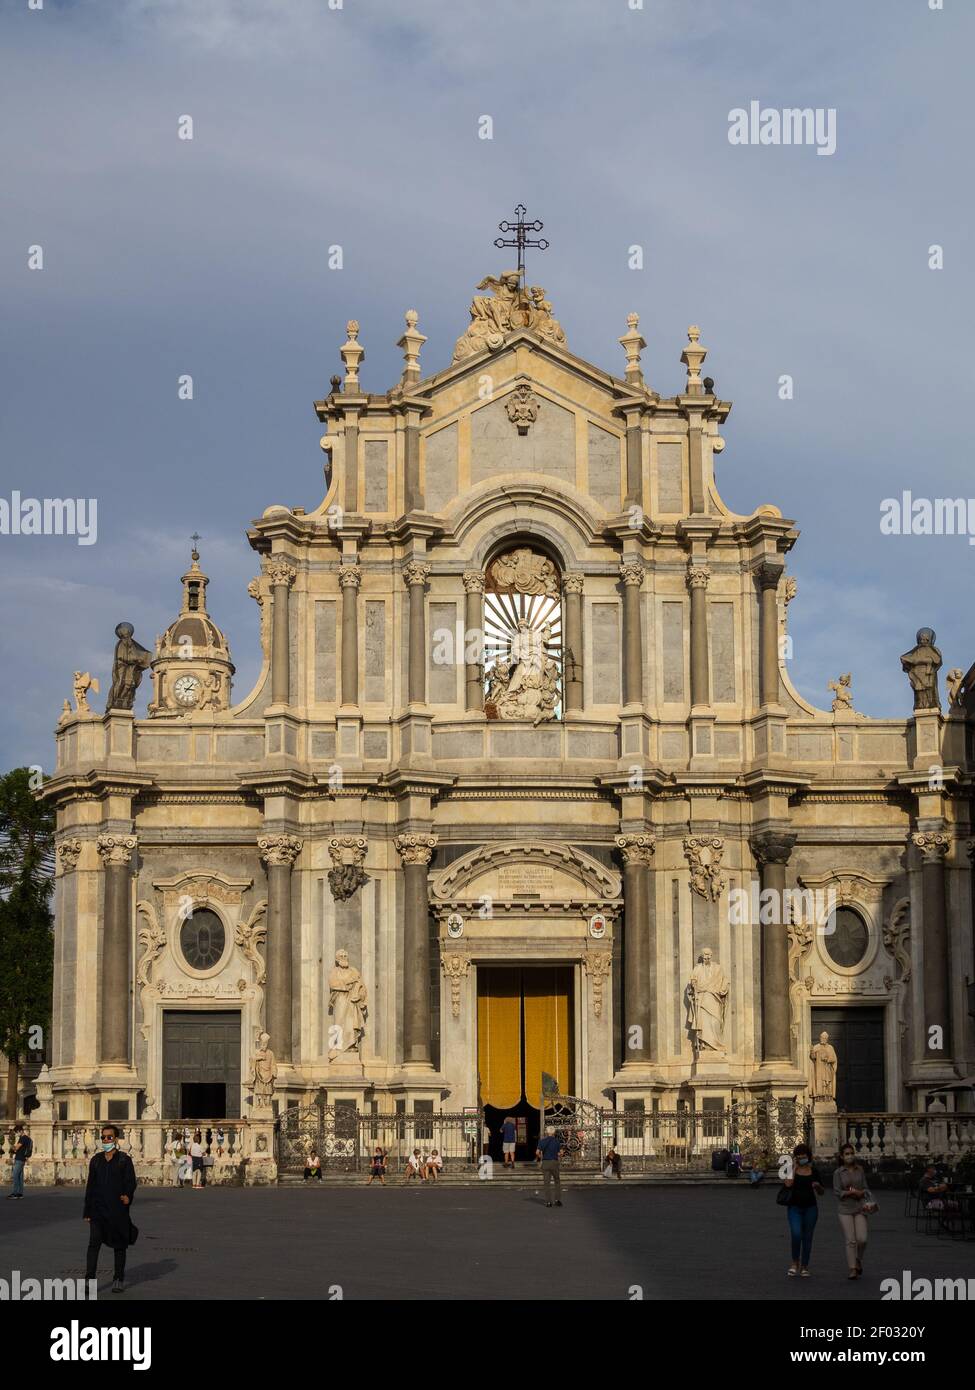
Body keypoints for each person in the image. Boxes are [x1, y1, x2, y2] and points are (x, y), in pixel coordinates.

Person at [84, 1124, 137, 1294]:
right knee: (93, 1244)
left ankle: (118, 1278)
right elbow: (90, 1186)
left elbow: (131, 1182)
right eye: (103, 1137)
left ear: (116, 1139)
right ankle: (89, 1280)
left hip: (117, 1210)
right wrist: (87, 1211)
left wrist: (128, 1195)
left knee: (119, 1245)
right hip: (98, 1210)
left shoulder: (124, 1160)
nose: (106, 1140)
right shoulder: (96, 1160)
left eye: (109, 1137)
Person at [781, 1143, 825, 1278]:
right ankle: (795, 1263)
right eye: (798, 1157)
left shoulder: (814, 1171)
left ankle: (805, 1266)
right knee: (796, 1234)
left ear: (809, 1157)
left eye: (804, 1157)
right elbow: (788, 1184)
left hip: (811, 1208)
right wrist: (794, 1167)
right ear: (795, 1158)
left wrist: (817, 1186)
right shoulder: (791, 1168)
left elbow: (822, 1192)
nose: (801, 1159)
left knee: (807, 1237)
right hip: (794, 1207)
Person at [833, 1143, 875, 1279]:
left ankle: (858, 1259)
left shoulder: (860, 1170)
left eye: (851, 1153)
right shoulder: (838, 1173)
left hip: (860, 1206)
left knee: (862, 1239)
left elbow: (866, 1188)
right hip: (845, 1208)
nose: (850, 1156)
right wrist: (850, 1193)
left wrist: (861, 1192)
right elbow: (837, 1192)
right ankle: (852, 1269)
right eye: (847, 1154)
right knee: (850, 1240)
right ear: (842, 1156)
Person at [536, 1126, 564, 1207]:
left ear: (546, 1132)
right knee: (557, 1181)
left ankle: (548, 1202)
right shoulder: (557, 1141)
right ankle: (557, 1200)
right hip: (554, 1162)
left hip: (545, 1162)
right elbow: (561, 1153)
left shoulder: (542, 1141)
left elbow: (537, 1152)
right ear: (554, 1132)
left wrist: (541, 1157)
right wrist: (558, 1155)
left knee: (547, 1183)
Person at [6, 1124, 32, 1200]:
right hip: (23, 1159)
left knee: (15, 1176)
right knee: (20, 1177)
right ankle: (20, 1193)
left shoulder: (23, 1138)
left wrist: (10, 1144)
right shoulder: (28, 1138)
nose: (16, 1134)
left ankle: (15, 1193)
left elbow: (16, 1148)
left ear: (20, 1131)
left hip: (19, 1159)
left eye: (17, 1132)